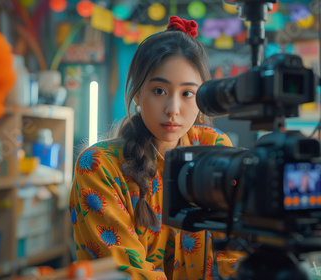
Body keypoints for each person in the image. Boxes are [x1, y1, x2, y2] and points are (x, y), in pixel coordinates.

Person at [69, 16, 242, 279]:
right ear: (138, 94)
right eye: (159, 91)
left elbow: (232, 249)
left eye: (187, 94)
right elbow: (125, 270)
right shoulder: (97, 165)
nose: (173, 110)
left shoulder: (214, 148)